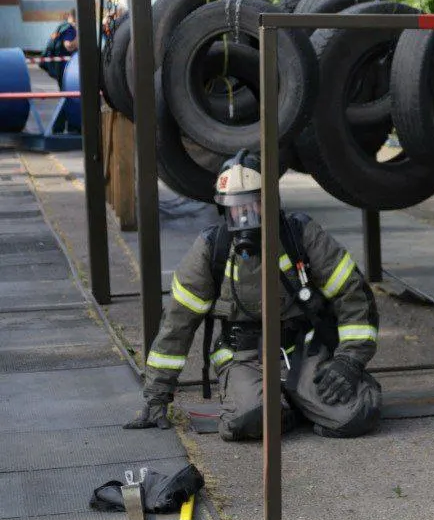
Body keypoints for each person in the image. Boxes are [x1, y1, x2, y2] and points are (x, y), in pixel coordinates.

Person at [125, 150, 383, 440]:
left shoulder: (301, 235)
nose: (245, 217)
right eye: (236, 209)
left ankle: (303, 398)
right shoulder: (212, 250)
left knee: (355, 415)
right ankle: (284, 405)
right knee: (249, 421)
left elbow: (354, 295)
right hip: (243, 356)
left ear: (271, 202)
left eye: (254, 205)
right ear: (224, 210)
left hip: (303, 352)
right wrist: (156, 397)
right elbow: (176, 325)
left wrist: (349, 361)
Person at [41, 11, 78, 86]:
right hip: (66, 66)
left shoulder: (62, 26)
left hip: (59, 63)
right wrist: (78, 38)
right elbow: (68, 46)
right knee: (67, 88)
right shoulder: (69, 29)